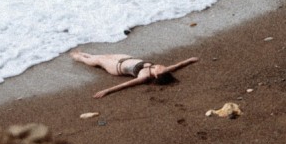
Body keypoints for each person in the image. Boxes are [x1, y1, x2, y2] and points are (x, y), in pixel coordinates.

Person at [69, 50, 199, 98]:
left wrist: (107, 91)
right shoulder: (162, 70)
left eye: (161, 69)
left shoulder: (144, 76)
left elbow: (126, 84)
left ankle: (79, 57)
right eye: (164, 68)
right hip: (126, 58)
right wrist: (190, 60)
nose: (162, 66)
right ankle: (85, 54)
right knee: (103, 55)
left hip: (116, 67)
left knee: (98, 60)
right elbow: (178, 65)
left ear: (156, 75)